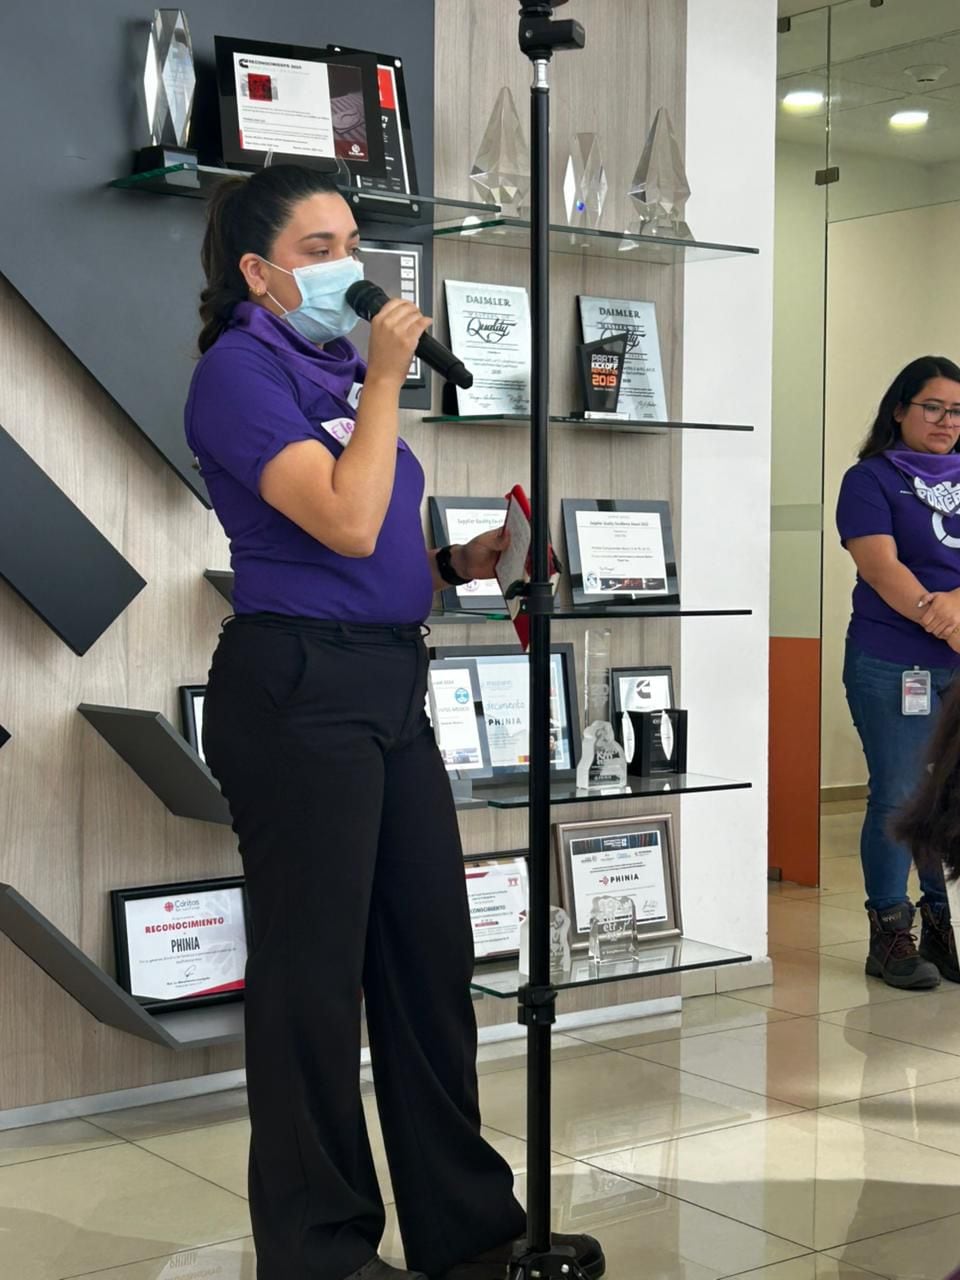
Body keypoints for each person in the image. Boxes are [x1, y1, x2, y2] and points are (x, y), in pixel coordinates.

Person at [185, 164, 604, 1280]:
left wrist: (451, 565)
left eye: (353, 240)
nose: (350, 267)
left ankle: (467, 1232)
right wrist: (383, 379)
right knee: (311, 983)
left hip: (384, 684)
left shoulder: (327, 364)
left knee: (427, 960)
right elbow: (344, 508)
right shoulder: (240, 372)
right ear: (258, 273)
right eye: (320, 248)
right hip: (294, 693)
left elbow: (368, 545)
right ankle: (320, 1250)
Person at [837, 354, 960, 990]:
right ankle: (890, 937)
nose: (946, 420)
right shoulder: (870, 479)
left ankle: (942, 929)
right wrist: (942, 619)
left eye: (957, 410)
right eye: (933, 407)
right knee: (900, 794)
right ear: (900, 410)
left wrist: (957, 608)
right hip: (893, 661)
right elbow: (880, 566)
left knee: (949, 799)